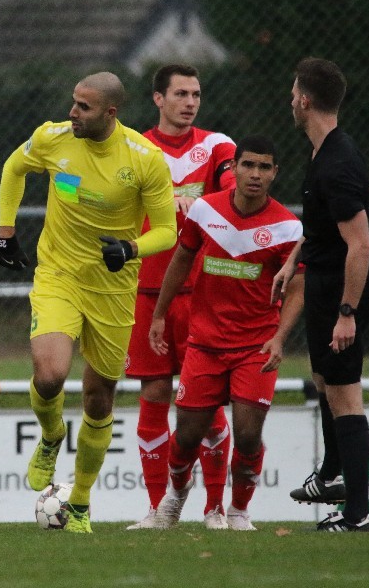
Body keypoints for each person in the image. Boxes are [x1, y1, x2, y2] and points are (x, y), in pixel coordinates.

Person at [0, 71, 176, 533]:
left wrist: (130, 248)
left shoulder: (144, 159)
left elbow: (167, 230)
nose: (72, 113)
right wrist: (5, 230)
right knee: (51, 374)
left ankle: (78, 502)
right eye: (73, 103)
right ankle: (53, 433)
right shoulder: (53, 138)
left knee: (99, 399)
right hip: (58, 275)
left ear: (110, 113)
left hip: (114, 288)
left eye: (84, 107)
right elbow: (14, 169)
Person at [151, 135, 304, 531]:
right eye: (248, 165)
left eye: (264, 167)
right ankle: (175, 497)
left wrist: (279, 337)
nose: (255, 174)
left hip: (256, 344)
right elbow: (181, 259)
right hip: (204, 343)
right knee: (186, 436)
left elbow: (299, 288)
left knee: (249, 434)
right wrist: (159, 315)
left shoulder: (288, 226)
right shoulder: (204, 209)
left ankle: (237, 511)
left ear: (274, 174)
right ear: (233, 169)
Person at [125, 64, 236, 530]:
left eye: (196, 94)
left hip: (199, 296)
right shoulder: (132, 147)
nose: (190, 102)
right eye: (180, 94)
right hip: (144, 293)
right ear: (158, 99)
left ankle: (215, 508)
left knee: (205, 405)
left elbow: (236, 197)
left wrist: (203, 204)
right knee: (153, 397)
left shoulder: (217, 146)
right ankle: (159, 511)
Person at [275, 58, 369, 532]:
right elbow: (321, 226)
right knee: (323, 381)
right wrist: (293, 259)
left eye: (294, 92)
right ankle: (331, 476)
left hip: (340, 291)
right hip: (320, 282)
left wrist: (347, 313)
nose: (290, 99)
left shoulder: (337, 163)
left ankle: (357, 514)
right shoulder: (321, 152)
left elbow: (361, 244)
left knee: (345, 397)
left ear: (306, 100)